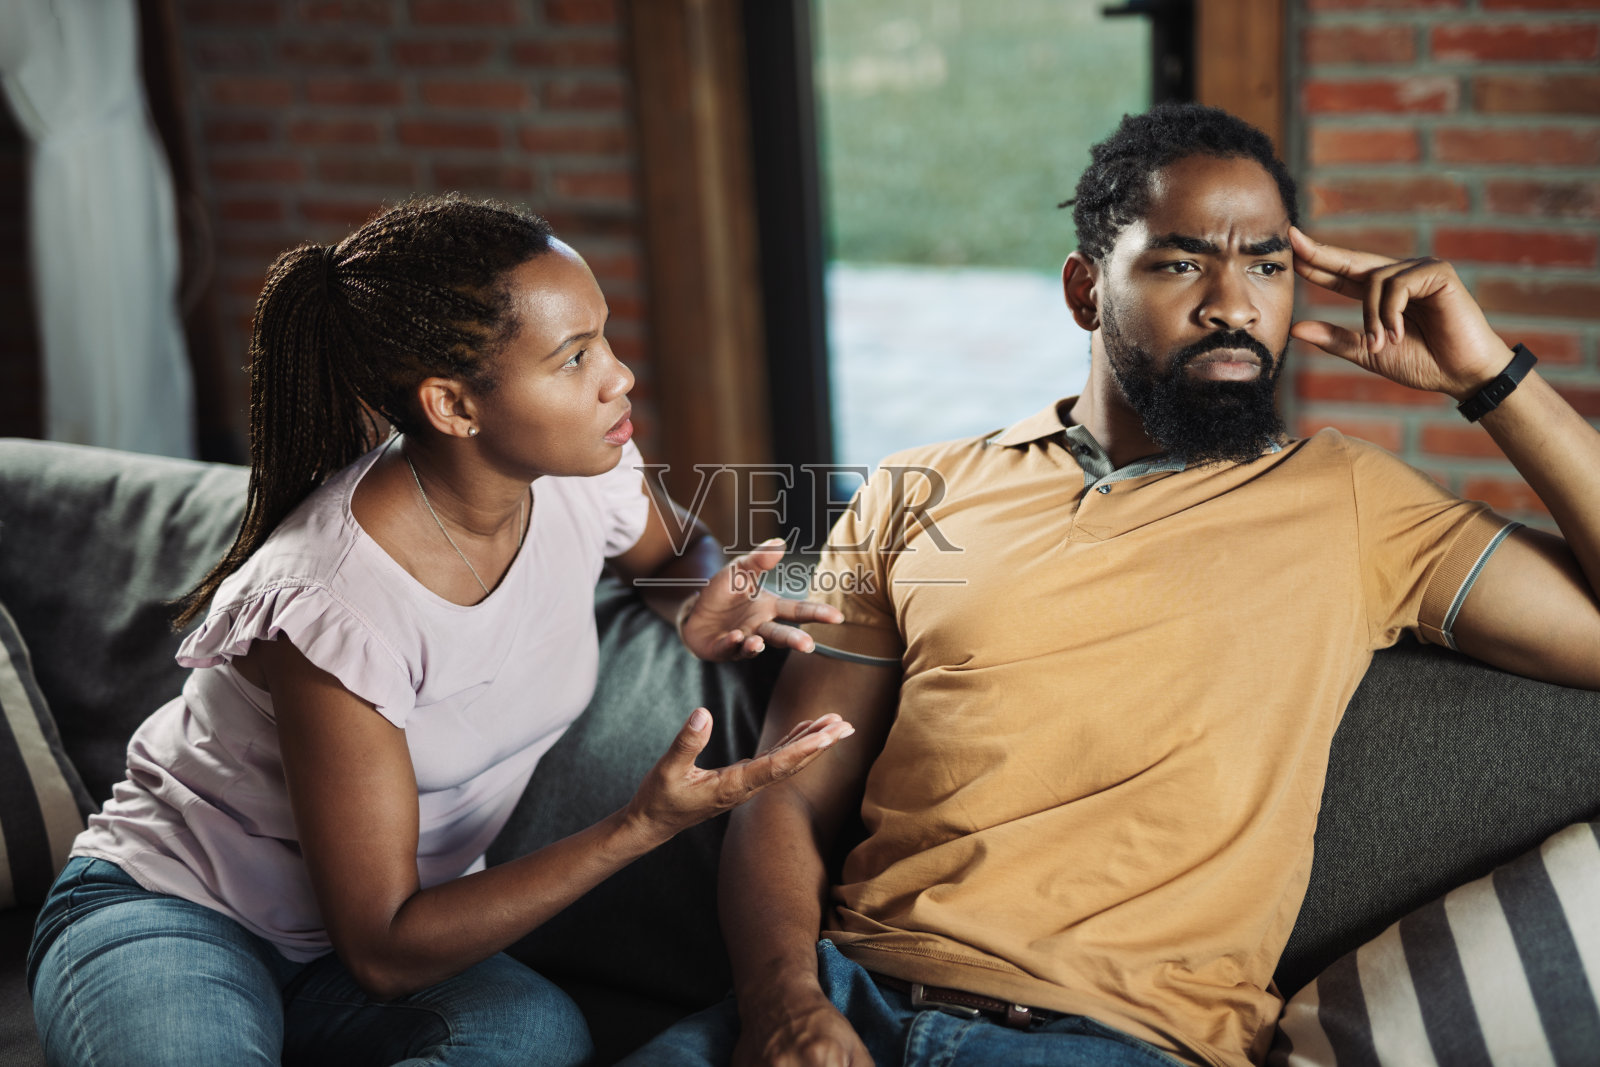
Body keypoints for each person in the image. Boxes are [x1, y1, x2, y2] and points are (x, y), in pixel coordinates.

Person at [626, 104, 1600, 1067]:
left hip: (1110, 1037)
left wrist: (1487, 376)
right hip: (848, 998)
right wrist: (785, 1004)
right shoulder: (917, 488)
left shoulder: (1352, 500)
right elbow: (786, 795)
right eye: (1181, 263)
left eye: (1267, 265)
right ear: (1084, 289)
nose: (1235, 304)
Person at [25, 195, 857, 1067]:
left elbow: (676, 548)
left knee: (537, 1035)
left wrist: (695, 603)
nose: (619, 377)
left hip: (355, 962)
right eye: (575, 357)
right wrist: (640, 824)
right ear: (454, 406)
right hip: (178, 911)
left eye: (604, 338)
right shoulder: (335, 602)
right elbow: (384, 948)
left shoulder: (581, 474)